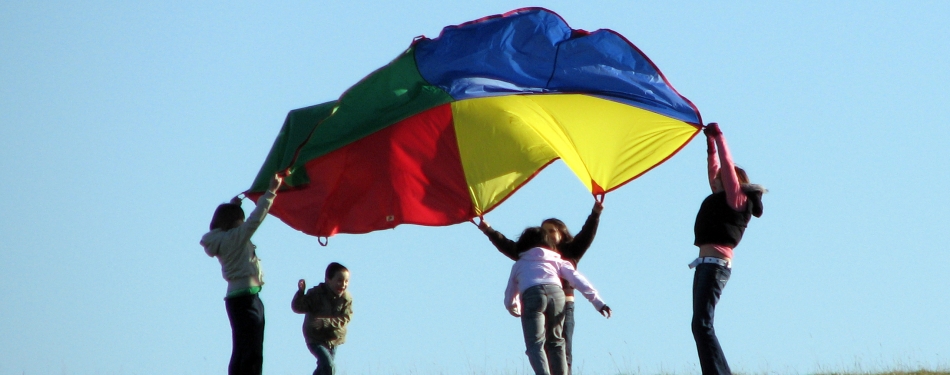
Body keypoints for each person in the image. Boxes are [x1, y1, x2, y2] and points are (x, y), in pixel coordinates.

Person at [479, 201, 603, 374]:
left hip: (564, 305)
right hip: (553, 301)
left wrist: (595, 213)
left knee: (560, 345)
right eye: (545, 231)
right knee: (549, 345)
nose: (548, 234)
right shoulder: (529, 254)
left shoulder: (570, 251)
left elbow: (586, 234)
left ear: (562, 233)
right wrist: (488, 230)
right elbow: (506, 245)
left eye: (552, 230)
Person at [690, 123, 766, 375]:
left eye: (723, 176)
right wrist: (709, 145)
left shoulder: (737, 199)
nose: (716, 179)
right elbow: (714, 170)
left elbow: (725, 165)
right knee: (699, 325)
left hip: (715, 266)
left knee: (702, 324)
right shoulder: (720, 196)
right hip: (704, 266)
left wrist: (720, 138)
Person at [201, 173, 283, 375]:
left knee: (242, 347)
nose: (243, 223)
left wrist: (234, 206)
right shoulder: (235, 237)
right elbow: (256, 219)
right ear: (233, 222)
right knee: (252, 349)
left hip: (240, 298)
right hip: (246, 299)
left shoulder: (221, 238)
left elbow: (236, 225)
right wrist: (271, 191)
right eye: (240, 219)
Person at [504, 226, 612, 375]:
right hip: (557, 294)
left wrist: (512, 306)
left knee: (535, 344)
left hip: (532, 295)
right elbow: (577, 280)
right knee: (556, 341)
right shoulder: (556, 260)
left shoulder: (519, 264)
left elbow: (510, 290)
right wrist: (599, 303)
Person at [292, 262, 353, 375]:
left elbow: (346, 318)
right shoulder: (316, 294)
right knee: (329, 367)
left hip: (333, 339)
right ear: (328, 280)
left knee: (322, 369)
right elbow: (298, 307)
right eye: (339, 280)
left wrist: (326, 322)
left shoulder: (346, 299)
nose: (343, 285)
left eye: (346, 281)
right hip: (315, 338)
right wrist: (300, 293)